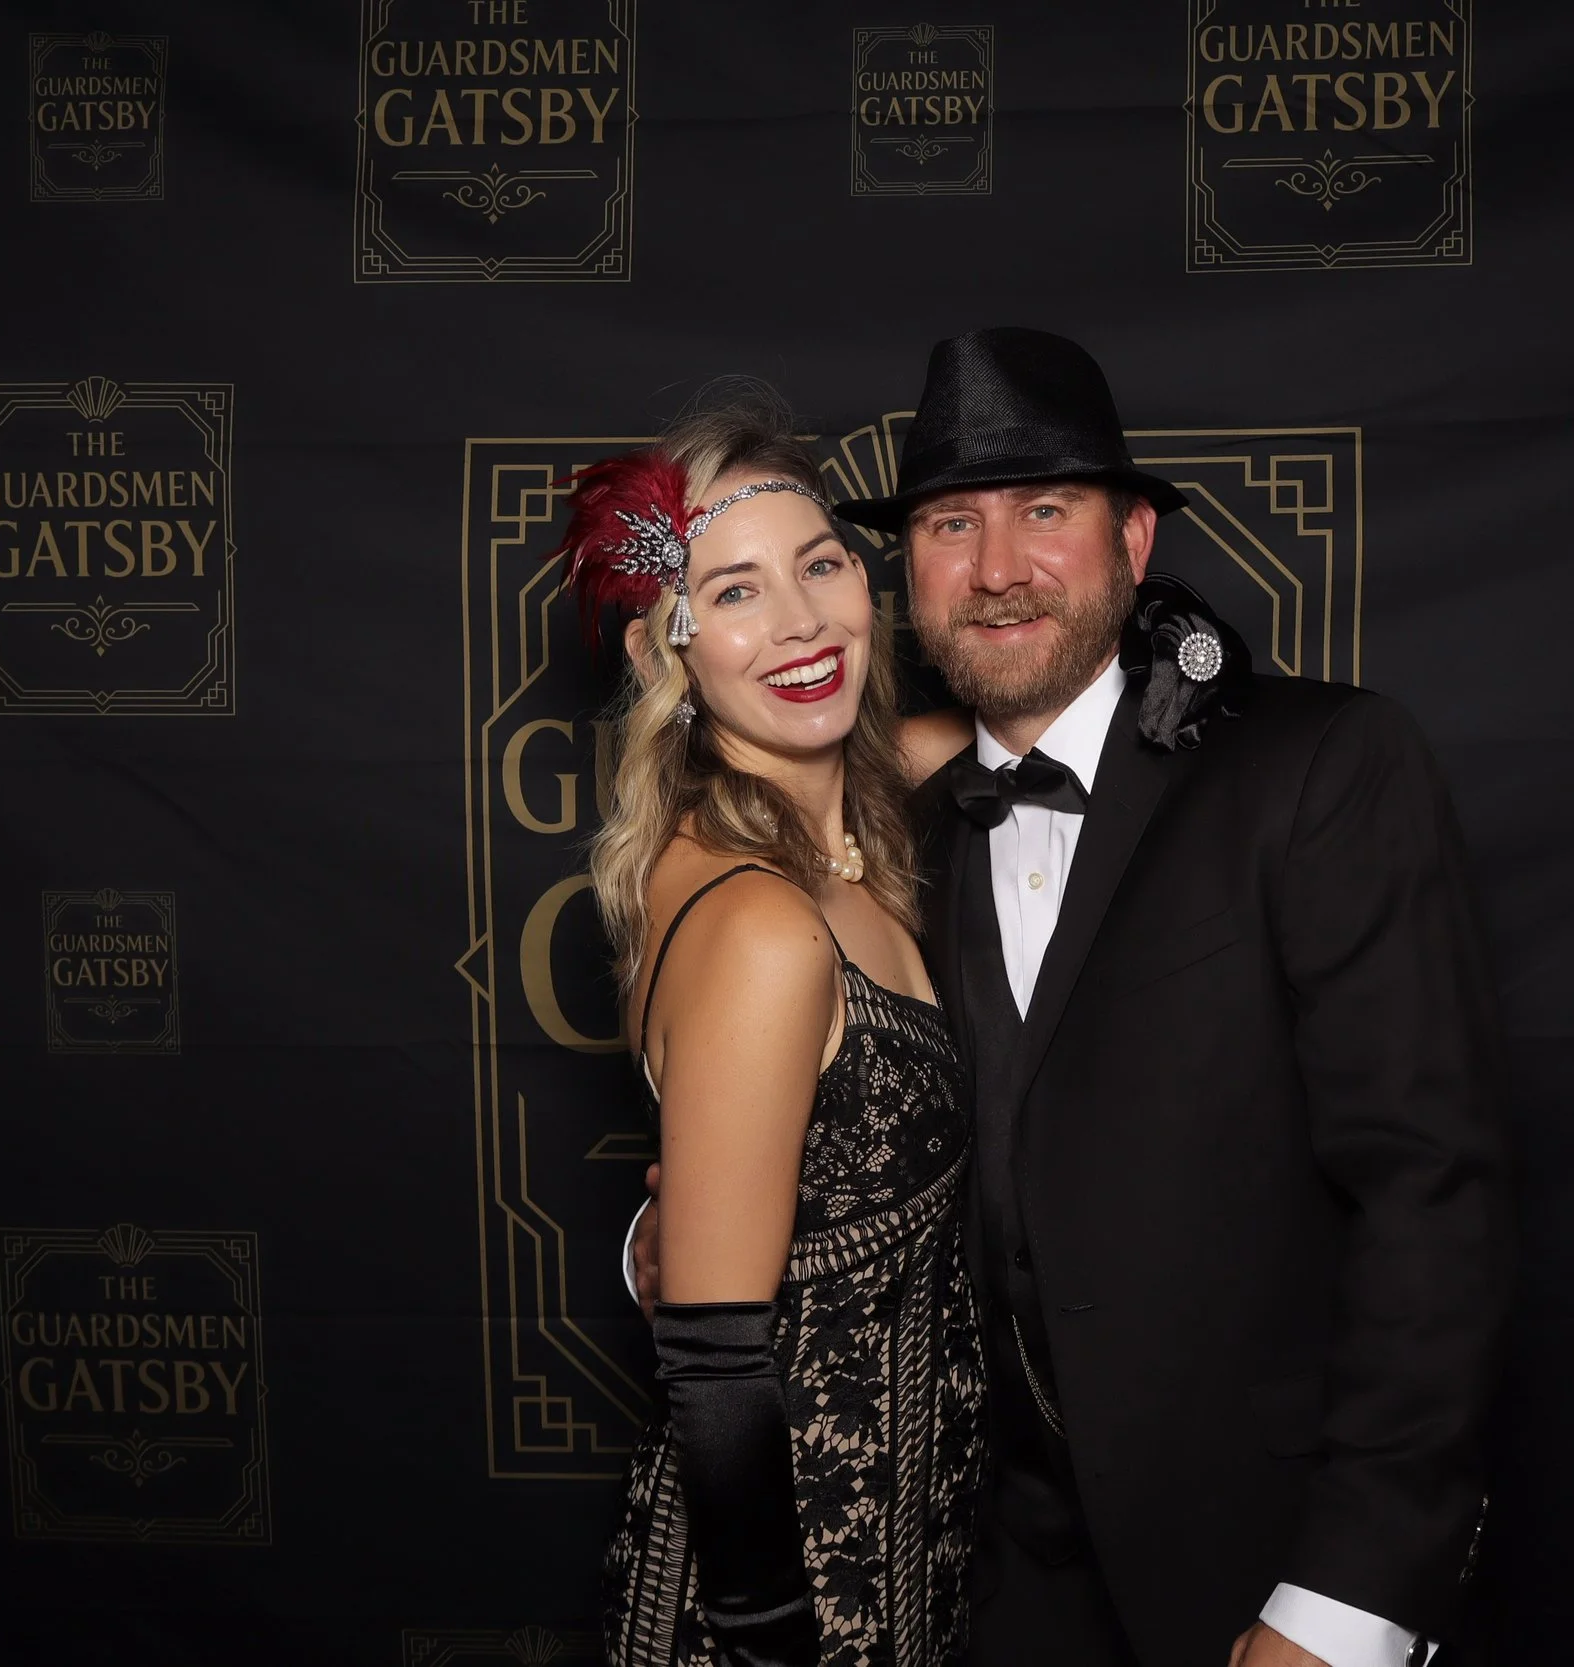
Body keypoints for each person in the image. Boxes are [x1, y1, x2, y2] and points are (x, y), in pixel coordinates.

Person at [636, 329, 1514, 1667]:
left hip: (1268, 1582)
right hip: (982, 1592)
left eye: (1045, 510)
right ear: (909, 572)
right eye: (950, 523)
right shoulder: (889, 836)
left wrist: (1344, 1606)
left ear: (1134, 539)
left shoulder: (1320, 767)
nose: (996, 569)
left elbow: (1434, 1197)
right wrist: (679, 1222)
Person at [569, 393, 984, 1667]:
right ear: (663, 653)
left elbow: (1021, 728)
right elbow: (711, 1353)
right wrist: (767, 1643)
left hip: (907, 1557)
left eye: (820, 566)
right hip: (784, 1600)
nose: (801, 621)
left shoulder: (840, 821)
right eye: (735, 593)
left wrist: (1178, 653)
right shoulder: (760, 923)